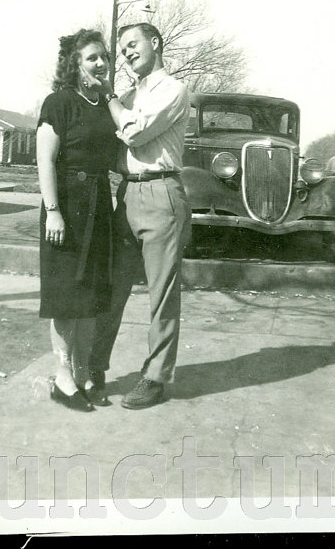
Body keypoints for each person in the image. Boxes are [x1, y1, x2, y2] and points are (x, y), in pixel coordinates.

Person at [83, 22, 191, 410]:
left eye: (133, 45)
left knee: (161, 294)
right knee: (111, 286)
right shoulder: (127, 94)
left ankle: (156, 377)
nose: (127, 53)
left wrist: (109, 96)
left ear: (156, 43)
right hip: (126, 192)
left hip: (162, 193)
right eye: (122, 49)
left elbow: (134, 132)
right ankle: (94, 368)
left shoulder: (174, 90)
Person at [36, 29, 118, 412]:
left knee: (91, 297)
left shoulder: (105, 105)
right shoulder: (59, 103)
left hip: (99, 208)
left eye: (103, 56)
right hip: (66, 208)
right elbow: (44, 160)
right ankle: (62, 377)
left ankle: (83, 372)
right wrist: (53, 211)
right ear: (75, 65)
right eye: (92, 58)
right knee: (66, 297)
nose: (101, 63)